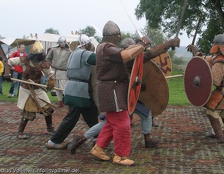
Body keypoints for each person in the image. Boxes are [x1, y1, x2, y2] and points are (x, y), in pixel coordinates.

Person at [69, 37, 180, 154]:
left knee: (110, 122)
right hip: (120, 96)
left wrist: (166, 46)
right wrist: (167, 44)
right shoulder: (124, 58)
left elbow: (148, 56)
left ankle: (82, 140)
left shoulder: (122, 57)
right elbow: (148, 55)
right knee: (120, 121)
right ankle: (140, 143)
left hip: (123, 95)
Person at [90, 20, 146, 166]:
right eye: (118, 36)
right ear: (115, 35)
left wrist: (139, 44)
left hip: (113, 89)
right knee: (123, 123)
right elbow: (125, 55)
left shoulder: (105, 47)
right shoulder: (106, 47)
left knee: (112, 122)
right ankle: (120, 155)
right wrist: (141, 45)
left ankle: (99, 148)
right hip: (112, 89)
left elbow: (127, 52)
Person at [45, 34, 99, 149]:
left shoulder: (74, 53)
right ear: (86, 44)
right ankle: (54, 141)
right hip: (77, 90)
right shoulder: (83, 53)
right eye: (90, 44)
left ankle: (98, 137)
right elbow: (98, 59)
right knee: (71, 118)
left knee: (91, 113)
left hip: (77, 89)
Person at [187, 34, 224, 143]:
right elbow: (208, 60)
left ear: (217, 45)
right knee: (223, 113)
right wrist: (197, 53)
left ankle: (220, 136)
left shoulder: (220, 61)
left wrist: (198, 78)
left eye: (214, 43)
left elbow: (215, 80)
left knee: (211, 111)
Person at [7, 41, 56, 139]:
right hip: (26, 90)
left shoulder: (43, 63)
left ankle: (50, 128)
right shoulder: (24, 60)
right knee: (28, 112)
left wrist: (51, 81)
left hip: (38, 89)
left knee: (48, 109)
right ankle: (20, 132)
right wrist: (7, 73)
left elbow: (50, 74)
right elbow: (9, 61)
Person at [46, 36, 72, 107]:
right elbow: (48, 58)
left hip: (64, 72)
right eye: (61, 42)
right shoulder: (54, 49)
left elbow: (72, 60)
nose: (62, 44)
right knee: (56, 88)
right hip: (54, 71)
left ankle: (68, 102)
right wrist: (50, 66)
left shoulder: (69, 51)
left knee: (64, 88)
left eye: (63, 42)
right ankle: (60, 102)